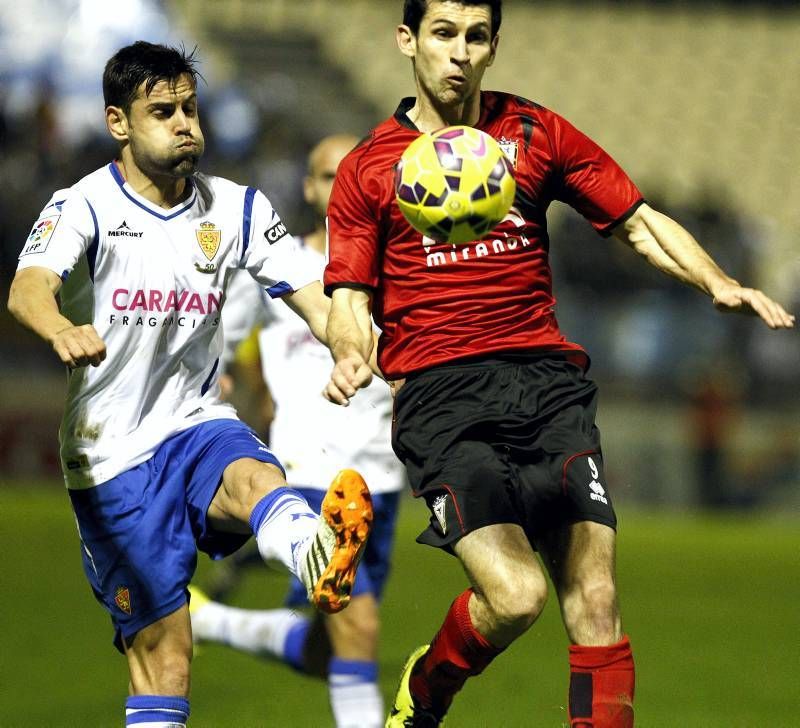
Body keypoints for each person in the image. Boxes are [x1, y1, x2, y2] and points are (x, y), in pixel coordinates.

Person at [322, 2, 796, 727]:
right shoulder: (367, 169)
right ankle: (428, 688)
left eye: (476, 37)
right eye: (444, 34)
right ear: (407, 40)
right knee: (515, 598)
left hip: (546, 387)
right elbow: (350, 295)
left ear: (493, 47)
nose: (459, 53)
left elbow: (636, 220)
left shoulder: (535, 132)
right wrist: (352, 354)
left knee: (595, 597)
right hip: (442, 401)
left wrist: (717, 282)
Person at [7, 41, 374, 728]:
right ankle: (302, 551)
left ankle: (313, 551)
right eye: (163, 112)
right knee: (165, 655)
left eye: (190, 109)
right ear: (118, 122)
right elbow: (27, 288)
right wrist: (59, 328)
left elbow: (313, 294)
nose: (185, 125)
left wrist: (349, 346)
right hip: (110, 456)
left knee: (256, 478)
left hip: (195, 421)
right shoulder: (82, 206)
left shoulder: (233, 208)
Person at [189, 134, 406, 728]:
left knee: (329, 649)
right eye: (326, 175)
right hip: (310, 473)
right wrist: (216, 381)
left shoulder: (400, 269)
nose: (339, 186)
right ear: (309, 188)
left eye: (351, 173)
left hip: (382, 480)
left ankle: (210, 622)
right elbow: (217, 342)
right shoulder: (279, 267)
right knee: (358, 628)